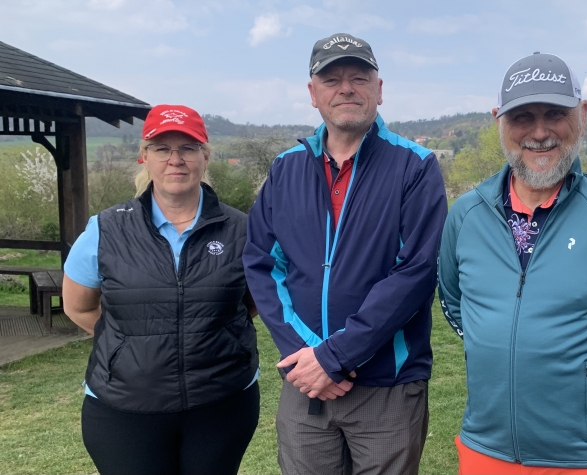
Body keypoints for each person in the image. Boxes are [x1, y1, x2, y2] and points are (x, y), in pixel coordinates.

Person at [437, 52, 587, 474]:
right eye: (522, 117)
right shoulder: (466, 215)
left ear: (582, 115)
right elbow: (455, 304)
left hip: (585, 457)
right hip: (484, 448)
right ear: (498, 121)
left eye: (555, 114)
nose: (540, 132)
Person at [243, 33, 446, 475]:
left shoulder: (415, 166)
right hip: (305, 382)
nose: (346, 89)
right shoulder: (286, 168)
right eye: (332, 79)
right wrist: (308, 356)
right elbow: (262, 263)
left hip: (387, 385)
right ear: (313, 92)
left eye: (359, 77)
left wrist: (335, 357)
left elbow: (415, 273)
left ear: (379, 89)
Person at [61, 104, 260, 475]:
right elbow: (78, 306)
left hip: (221, 403)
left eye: (187, 148)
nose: (175, 159)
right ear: (145, 156)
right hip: (124, 409)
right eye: (162, 148)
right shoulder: (105, 229)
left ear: (205, 156)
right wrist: (128, 343)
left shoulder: (242, 230)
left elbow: (248, 302)